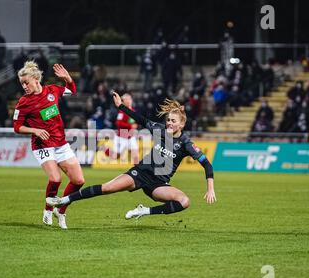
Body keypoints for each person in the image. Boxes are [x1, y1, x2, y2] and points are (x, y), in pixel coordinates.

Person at [47, 91, 216, 221]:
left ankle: (144, 211)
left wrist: (210, 189)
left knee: (184, 201)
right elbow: (140, 119)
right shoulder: (160, 130)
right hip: (140, 173)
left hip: (158, 184)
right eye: (169, 120)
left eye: (173, 121)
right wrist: (121, 106)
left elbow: (207, 164)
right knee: (107, 188)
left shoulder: (187, 143)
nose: (170, 123)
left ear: (182, 124)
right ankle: (64, 200)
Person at [13, 61, 85, 229]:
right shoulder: (24, 102)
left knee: (79, 180)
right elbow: (17, 127)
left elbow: (72, 90)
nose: (24, 86)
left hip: (60, 143)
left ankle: (61, 210)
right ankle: (47, 210)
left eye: (26, 82)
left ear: (36, 79)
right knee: (55, 178)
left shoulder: (52, 91)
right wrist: (35, 130)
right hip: (42, 145)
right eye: (22, 83)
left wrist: (67, 78)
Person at [106, 93, 140, 165]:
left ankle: (138, 173)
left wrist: (136, 125)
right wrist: (130, 126)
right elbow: (118, 123)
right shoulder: (122, 112)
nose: (128, 101)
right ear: (123, 102)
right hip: (121, 138)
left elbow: (135, 122)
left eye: (129, 99)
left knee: (136, 157)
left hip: (131, 137)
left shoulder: (133, 111)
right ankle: (104, 149)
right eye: (126, 99)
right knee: (115, 157)